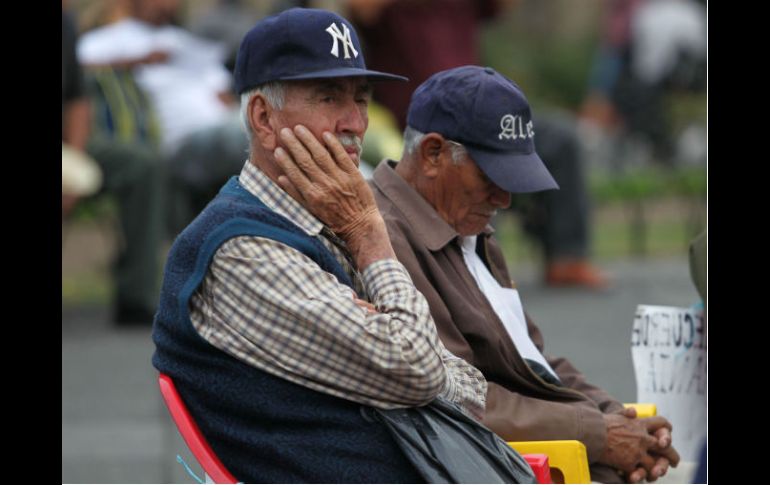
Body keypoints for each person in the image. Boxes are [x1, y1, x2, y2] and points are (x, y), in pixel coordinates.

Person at [152, 9, 487, 483]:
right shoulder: (241, 250)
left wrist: (414, 363)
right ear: (263, 118)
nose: (355, 123)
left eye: (362, 98)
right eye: (329, 97)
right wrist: (368, 232)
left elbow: (469, 387)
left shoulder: (316, 222)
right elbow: (420, 368)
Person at [370, 65, 680, 483]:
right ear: (433, 154)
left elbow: (530, 361)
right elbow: (455, 396)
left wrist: (615, 417)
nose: (505, 198)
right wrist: (599, 432)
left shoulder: (467, 226)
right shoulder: (380, 239)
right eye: (491, 176)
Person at [350, 0, 609, 288]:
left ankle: (567, 256)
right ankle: (479, 273)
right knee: (474, 169)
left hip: (481, 108)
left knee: (562, 138)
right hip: (417, 119)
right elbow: (361, 8)